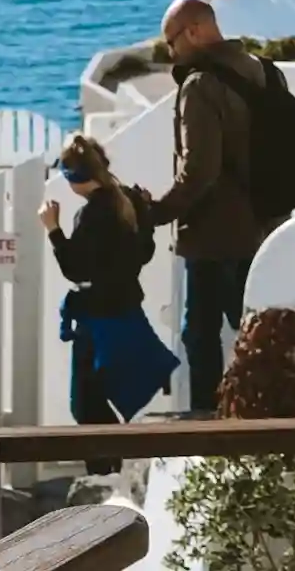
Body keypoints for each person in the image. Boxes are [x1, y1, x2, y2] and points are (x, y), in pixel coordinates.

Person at [149, 0, 269, 414]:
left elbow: (199, 171)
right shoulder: (260, 71)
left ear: (196, 31)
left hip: (214, 233)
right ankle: (262, 410)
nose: (170, 52)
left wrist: (155, 212)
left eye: (172, 41)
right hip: (264, 226)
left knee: (199, 333)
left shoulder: (200, 85)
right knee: (256, 327)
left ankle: (208, 422)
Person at [42, 131, 175, 465]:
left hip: (97, 316)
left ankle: (105, 470)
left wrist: (53, 229)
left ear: (73, 178)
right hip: (125, 308)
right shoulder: (128, 201)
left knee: (84, 403)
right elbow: (144, 252)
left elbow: (76, 269)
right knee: (104, 394)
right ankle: (115, 463)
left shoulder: (91, 215)